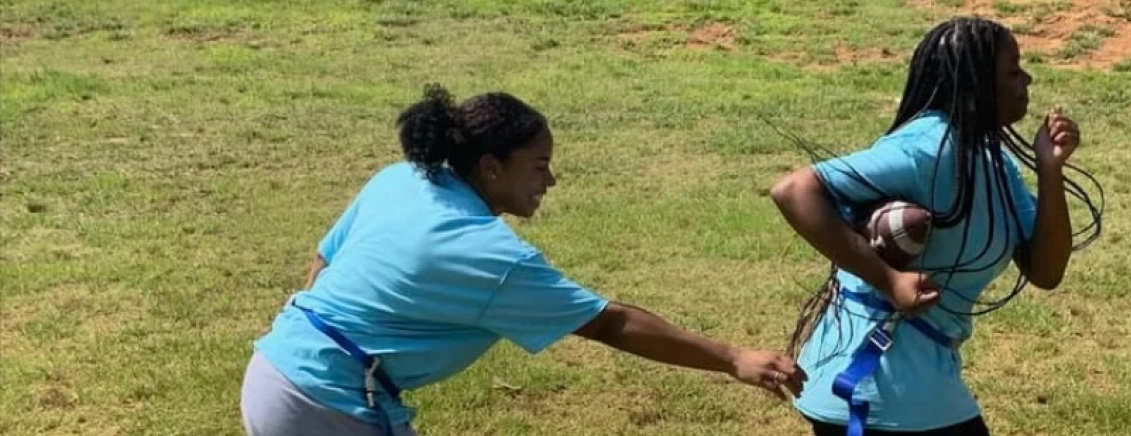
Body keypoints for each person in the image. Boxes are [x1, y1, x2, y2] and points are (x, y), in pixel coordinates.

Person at [239, 83, 808, 436]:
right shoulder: (489, 255)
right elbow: (612, 322)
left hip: (274, 369)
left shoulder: (405, 180)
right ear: (491, 166)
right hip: (320, 403)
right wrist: (733, 358)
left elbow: (322, 260)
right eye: (538, 165)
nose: (551, 179)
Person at [767, 16, 1102, 436]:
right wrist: (889, 280)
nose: (1026, 79)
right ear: (976, 85)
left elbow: (1045, 270)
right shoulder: (924, 150)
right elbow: (794, 189)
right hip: (878, 386)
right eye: (1013, 71)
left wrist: (1050, 170)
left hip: (912, 387)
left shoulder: (992, 160)